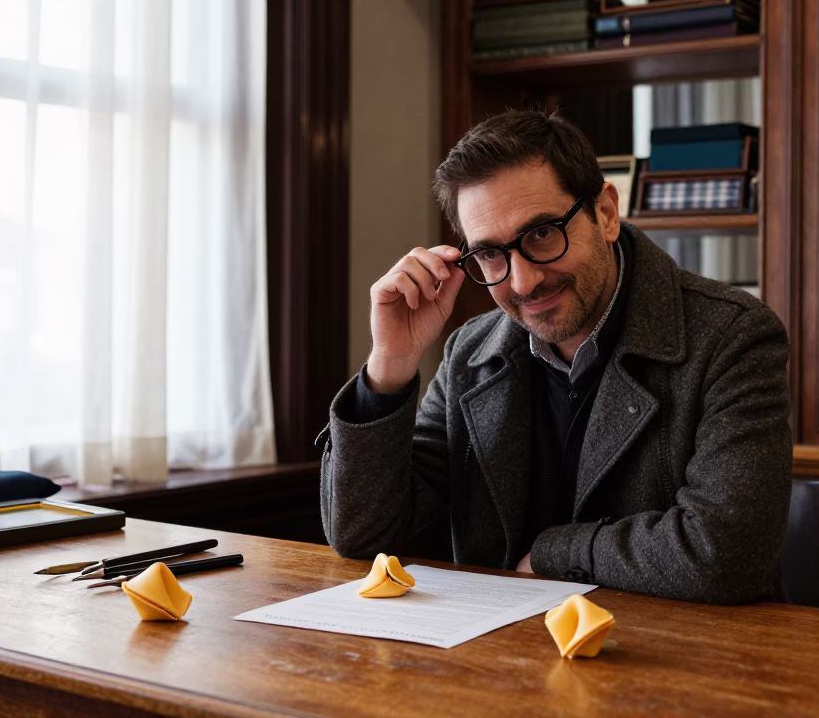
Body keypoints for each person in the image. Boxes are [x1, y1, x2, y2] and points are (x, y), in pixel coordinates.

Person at [319, 110, 792, 604]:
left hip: (679, 660)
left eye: (543, 233)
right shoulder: (470, 353)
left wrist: (554, 554)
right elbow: (364, 538)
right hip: (498, 655)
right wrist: (389, 369)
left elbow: (727, 553)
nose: (523, 282)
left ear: (606, 214)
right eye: (490, 254)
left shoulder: (734, 336)